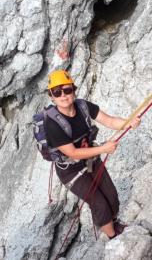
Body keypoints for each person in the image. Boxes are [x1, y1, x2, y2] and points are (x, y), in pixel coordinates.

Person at [45, 69, 140, 239]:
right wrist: (103, 149)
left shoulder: (83, 106)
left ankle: (113, 222)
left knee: (111, 196)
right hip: (70, 171)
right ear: (51, 96)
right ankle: (113, 237)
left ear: (74, 90)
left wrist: (128, 123)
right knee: (98, 203)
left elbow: (109, 120)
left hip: (91, 161)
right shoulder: (52, 124)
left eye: (67, 90)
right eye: (57, 92)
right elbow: (72, 152)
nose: (63, 95)